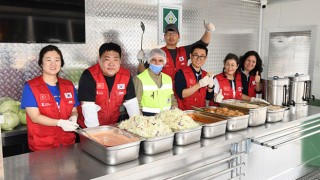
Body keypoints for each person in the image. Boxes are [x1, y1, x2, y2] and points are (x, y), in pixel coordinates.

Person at [20, 45, 80, 151]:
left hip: (68, 144)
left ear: (61, 63)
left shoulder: (68, 85)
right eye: (48, 60)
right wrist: (60, 123)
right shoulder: (31, 87)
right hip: (42, 147)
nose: (53, 64)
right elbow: (35, 117)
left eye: (57, 60)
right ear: (41, 63)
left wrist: (73, 117)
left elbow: (74, 110)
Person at [77, 42, 140, 128]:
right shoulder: (89, 75)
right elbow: (88, 108)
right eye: (107, 59)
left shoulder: (125, 75)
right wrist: (96, 133)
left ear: (120, 60)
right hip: (88, 127)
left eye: (115, 59)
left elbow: (131, 103)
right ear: (99, 60)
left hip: (111, 126)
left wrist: (137, 125)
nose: (111, 64)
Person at [137, 20, 215, 80]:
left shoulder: (185, 50)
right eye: (168, 34)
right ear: (164, 37)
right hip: (164, 91)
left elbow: (203, 44)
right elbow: (143, 72)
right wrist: (140, 62)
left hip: (181, 93)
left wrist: (208, 31)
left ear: (179, 36)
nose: (171, 36)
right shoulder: (158, 53)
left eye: (174, 34)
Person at [134, 48, 177, 116]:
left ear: (164, 62)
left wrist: (175, 108)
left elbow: (172, 98)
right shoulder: (139, 79)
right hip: (147, 118)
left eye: (160, 60)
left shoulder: (168, 79)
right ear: (149, 61)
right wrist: (140, 119)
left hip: (166, 116)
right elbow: (135, 104)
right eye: (154, 60)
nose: (157, 63)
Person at [174, 44, 214, 110]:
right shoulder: (181, 72)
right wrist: (199, 85)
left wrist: (211, 87)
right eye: (196, 55)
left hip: (201, 112)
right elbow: (181, 94)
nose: (199, 59)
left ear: (206, 58)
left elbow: (208, 97)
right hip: (185, 113)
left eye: (202, 56)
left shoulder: (205, 74)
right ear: (190, 56)